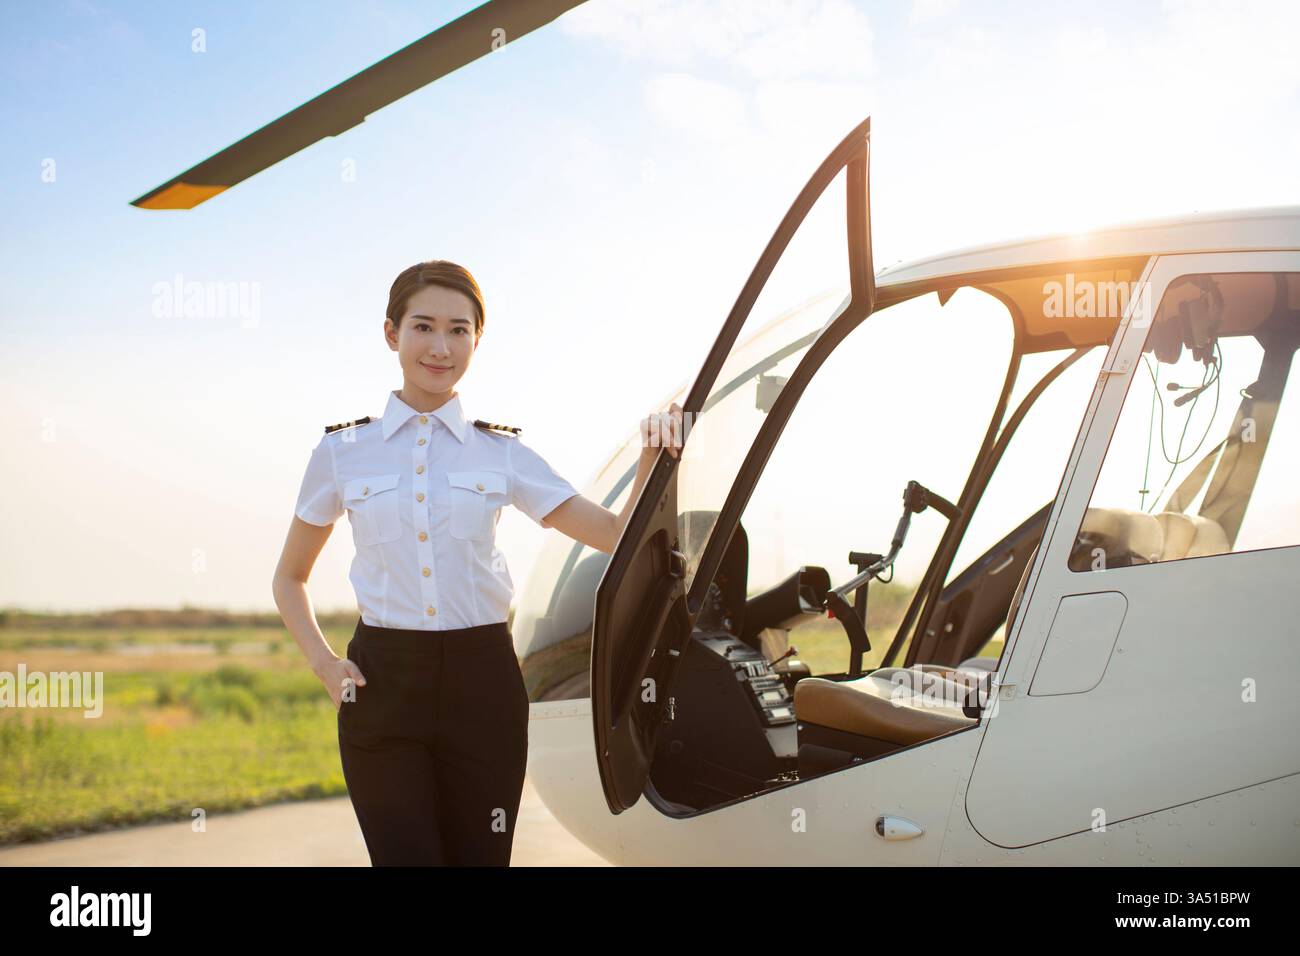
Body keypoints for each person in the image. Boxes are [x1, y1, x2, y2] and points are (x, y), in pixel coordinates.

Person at [271, 259, 681, 866]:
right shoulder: (342, 453)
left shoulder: (502, 453)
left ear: (476, 341)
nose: (441, 347)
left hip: (482, 686)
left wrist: (653, 452)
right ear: (392, 334)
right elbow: (290, 577)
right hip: (383, 686)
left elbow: (617, 535)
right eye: (424, 327)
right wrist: (326, 665)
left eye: (459, 330)